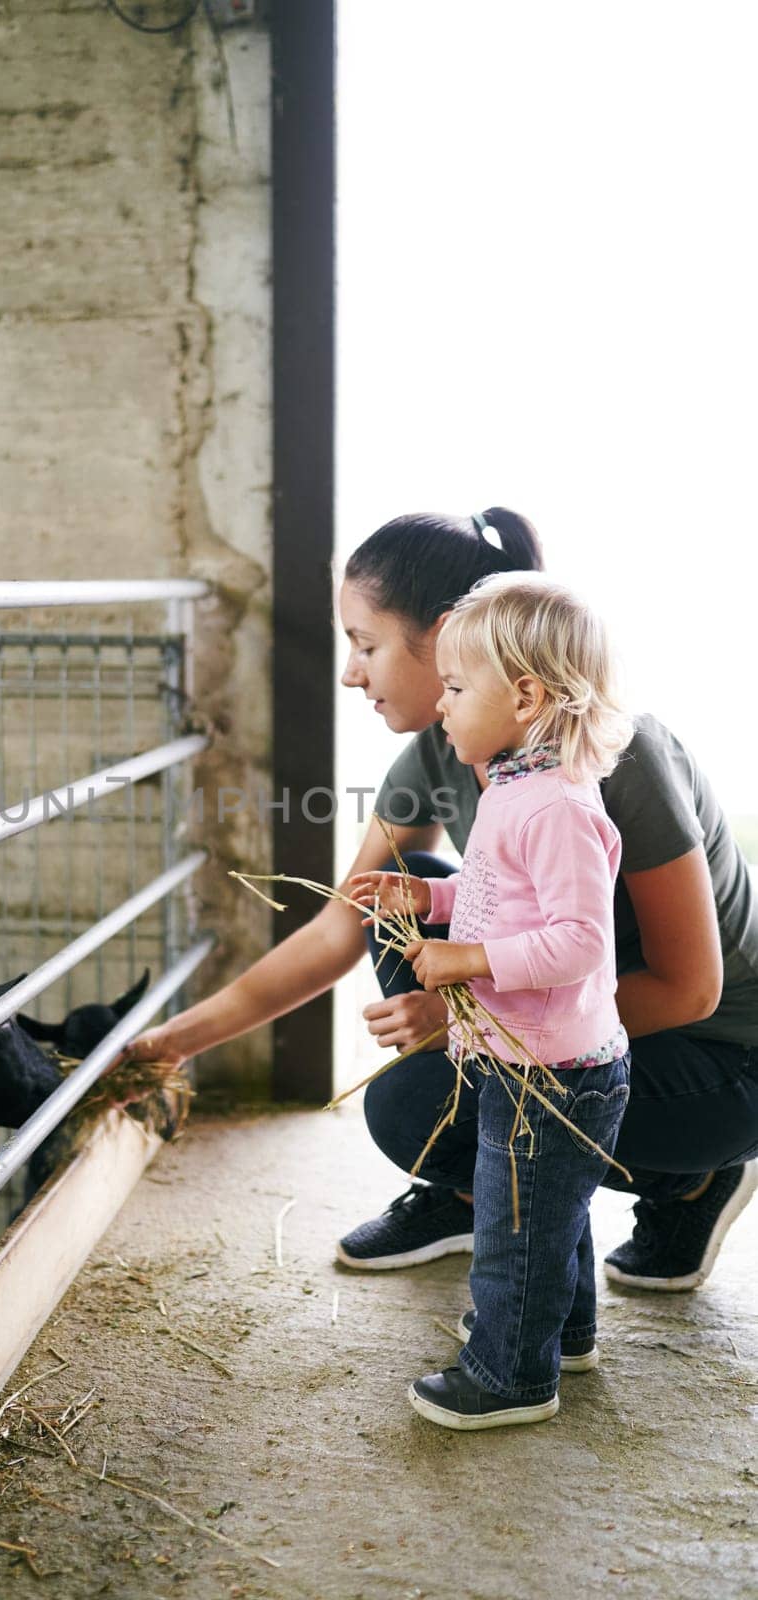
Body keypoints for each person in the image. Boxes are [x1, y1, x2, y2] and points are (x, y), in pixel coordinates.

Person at [122, 508, 758, 1314]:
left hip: (719, 1064)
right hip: (578, 1031)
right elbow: (337, 924)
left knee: (415, 1107)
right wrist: (165, 1047)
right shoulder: (434, 753)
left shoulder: (619, 757)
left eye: (365, 643)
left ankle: (690, 1178)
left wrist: (466, 1022)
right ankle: (476, 1195)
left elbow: (688, 991)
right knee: (409, 887)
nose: (351, 673)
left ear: (453, 633)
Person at [347, 571, 632, 1428]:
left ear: (525, 695)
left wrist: (465, 956)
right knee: (551, 1213)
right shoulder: (513, 789)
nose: (441, 706)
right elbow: (493, 892)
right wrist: (426, 903)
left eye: (458, 689)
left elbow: (579, 939)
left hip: (554, 1068)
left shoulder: (555, 807)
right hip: (530, 1060)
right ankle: (561, 1335)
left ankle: (510, 1376)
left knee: (517, 1229)